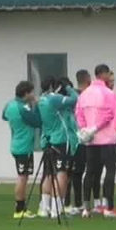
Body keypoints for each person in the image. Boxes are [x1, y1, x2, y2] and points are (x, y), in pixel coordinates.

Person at [75, 63, 116, 218]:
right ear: (103, 74)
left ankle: (86, 208)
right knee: (110, 171)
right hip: (107, 139)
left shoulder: (84, 94)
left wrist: (85, 129)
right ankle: (109, 207)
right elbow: (110, 115)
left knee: (90, 172)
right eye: (108, 74)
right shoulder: (108, 93)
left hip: (91, 141)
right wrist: (96, 128)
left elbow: (79, 114)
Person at [35, 75, 78, 220]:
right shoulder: (53, 98)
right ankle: (56, 209)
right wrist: (69, 88)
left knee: (48, 174)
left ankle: (44, 208)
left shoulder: (41, 100)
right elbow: (75, 99)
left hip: (48, 139)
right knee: (61, 173)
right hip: (61, 139)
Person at [3, 80, 44, 219]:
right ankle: (19, 209)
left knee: (24, 176)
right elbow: (38, 122)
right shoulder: (23, 108)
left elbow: (4, 116)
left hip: (16, 144)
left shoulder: (9, 105)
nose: (33, 94)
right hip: (23, 147)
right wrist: (36, 105)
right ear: (26, 93)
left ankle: (21, 207)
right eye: (31, 92)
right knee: (22, 177)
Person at [67, 69, 92, 213]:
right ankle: (73, 204)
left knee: (74, 173)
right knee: (75, 173)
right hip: (78, 139)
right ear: (87, 78)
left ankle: (73, 203)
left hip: (76, 139)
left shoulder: (74, 96)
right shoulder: (79, 97)